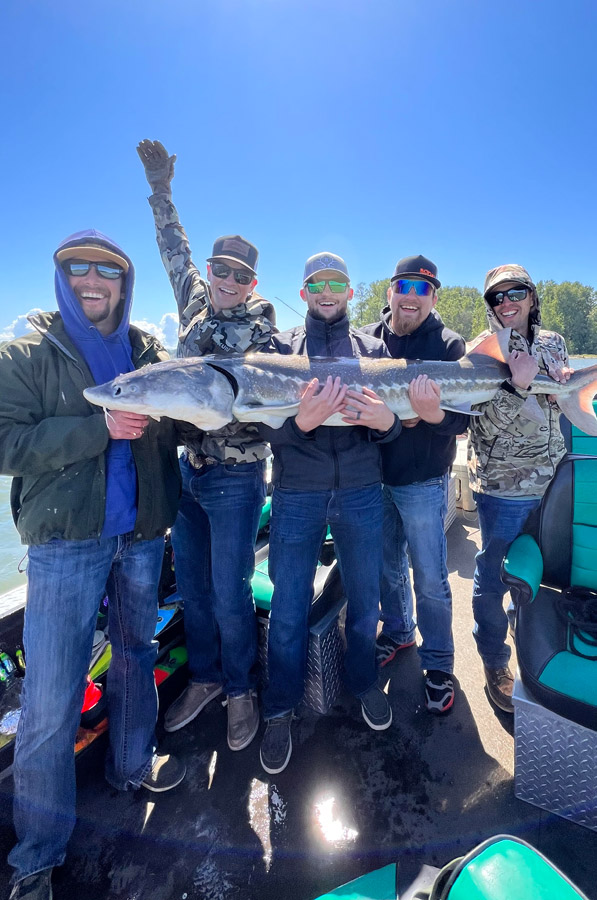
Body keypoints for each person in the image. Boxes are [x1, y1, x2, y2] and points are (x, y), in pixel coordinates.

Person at [1, 230, 184, 900]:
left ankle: (132, 767)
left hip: (140, 537)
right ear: (60, 275)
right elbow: (4, 441)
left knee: (137, 652)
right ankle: (37, 856)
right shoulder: (24, 352)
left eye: (107, 270)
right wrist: (96, 428)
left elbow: (187, 417)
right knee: (49, 698)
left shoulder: (146, 350)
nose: (92, 279)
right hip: (64, 544)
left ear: (124, 283)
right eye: (77, 268)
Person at [137, 140, 276, 752]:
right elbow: (175, 249)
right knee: (191, 587)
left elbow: (271, 414)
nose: (224, 281)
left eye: (238, 275)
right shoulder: (194, 301)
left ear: (252, 283)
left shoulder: (267, 336)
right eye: (219, 270)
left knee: (229, 591)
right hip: (186, 477)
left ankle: (243, 689)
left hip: (238, 483)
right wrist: (162, 191)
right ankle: (208, 679)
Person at [257, 252, 402, 774]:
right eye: (316, 282)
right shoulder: (277, 351)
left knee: (365, 602)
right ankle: (279, 707)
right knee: (289, 608)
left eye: (336, 282)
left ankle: (364, 682)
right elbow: (262, 424)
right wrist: (300, 424)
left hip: (363, 490)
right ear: (303, 293)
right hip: (297, 493)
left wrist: (388, 422)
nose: (326, 290)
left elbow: (392, 428)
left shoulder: (374, 349)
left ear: (350, 292)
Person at [360, 255, 467, 714]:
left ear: (433, 298)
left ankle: (439, 662)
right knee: (386, 568)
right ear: (390, 292)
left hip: (423, 481)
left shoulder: (448, 344)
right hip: (373, 478)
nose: (411, 297)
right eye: (404, 286)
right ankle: (399, 633)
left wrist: (435, 416)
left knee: (430, 576)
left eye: (423, 290)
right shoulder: (366, 341)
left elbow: (463, 416)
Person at [468, 264, 571, 712]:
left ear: (531, 296)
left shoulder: (553, 344)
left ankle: (525, 631)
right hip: (503, 489)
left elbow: (558, 406)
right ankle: (495, 661)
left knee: (537, 577)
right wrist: (518, 385)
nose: (507, 303)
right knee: (493, 577)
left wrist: (560, 390)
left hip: (553, 484)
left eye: (515, 293)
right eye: (497, 297)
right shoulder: (479, 352)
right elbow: (482, 427)